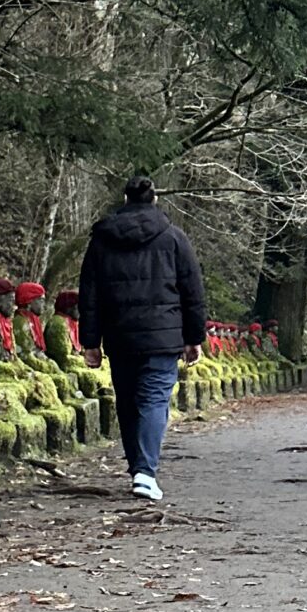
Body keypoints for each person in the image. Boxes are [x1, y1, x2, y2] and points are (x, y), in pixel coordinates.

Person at [77, 175, 206, 501]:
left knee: (128, 401)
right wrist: (194, 337)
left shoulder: (102, 241)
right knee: (153, 400)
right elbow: (192, 292)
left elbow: (88, 295)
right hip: (163, 337)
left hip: (120, 335)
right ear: (155, 199)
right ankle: (145, 473)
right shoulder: (174, 239)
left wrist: (90, 342)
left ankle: (139, 468)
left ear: (125, 199)